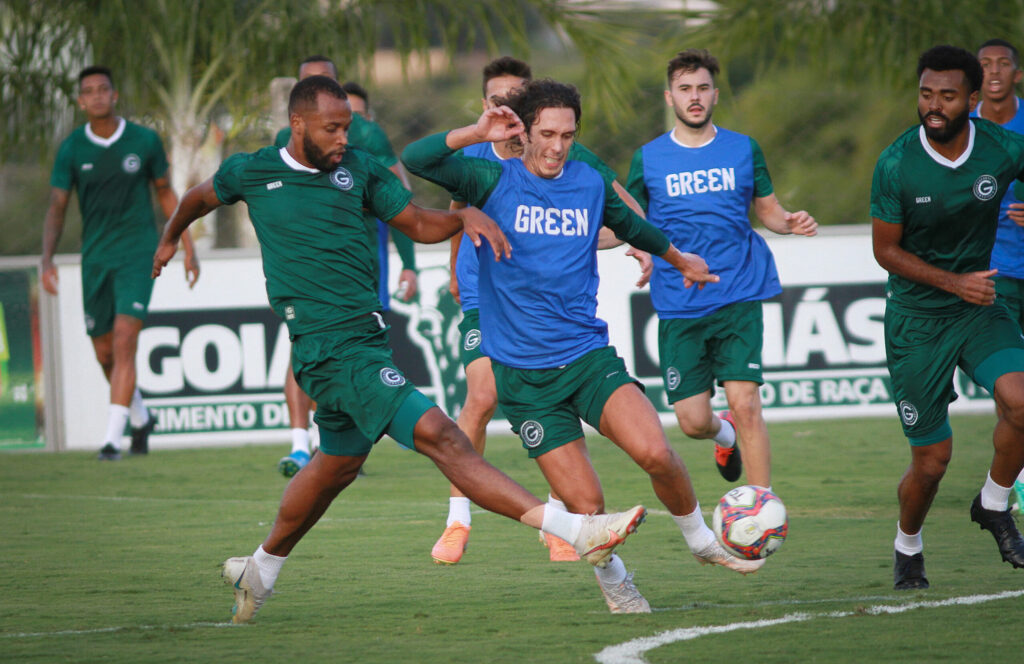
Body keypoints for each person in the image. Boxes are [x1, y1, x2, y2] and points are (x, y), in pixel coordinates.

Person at [152, 75, 647, 623]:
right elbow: (198, 197)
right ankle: (578, 530)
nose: (345, 136)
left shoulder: (357, 169)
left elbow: (414, 222)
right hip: (327, 348)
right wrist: (172, 236)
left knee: (334, 468)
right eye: (332, 127)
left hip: (366, 338)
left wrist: (462, 217)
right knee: (443, 435)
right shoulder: (253, 170)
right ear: (297, 125)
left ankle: (260, 569)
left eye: (347, 126)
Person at [403, 78, 764, 614]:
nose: (556, 147)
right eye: (546, 134)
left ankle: (701, 542)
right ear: (522, 133)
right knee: (588, 508)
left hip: (589, 359)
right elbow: (417, 158)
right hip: (525, 381)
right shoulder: (488, 177)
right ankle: (617, 582)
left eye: (567, 135)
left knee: (657, 454)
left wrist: (678, 258)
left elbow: (632, 226)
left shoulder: (588, 182)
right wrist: (475, 132)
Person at [433, 56, 652, 566]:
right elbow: (454, 213)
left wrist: (589, 242)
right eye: (496, 99)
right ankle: (457, 519)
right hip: (485, 296)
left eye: (515, 97)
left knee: (553, 402)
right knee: (483, 393)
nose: (506, 107)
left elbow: (625, 212)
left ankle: (561, 517)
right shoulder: (476, 155)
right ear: (485, 104)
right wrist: (452, 270)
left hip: (551, 313)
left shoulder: (560, 150)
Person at [626, 49, 816, 494]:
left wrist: (789, 223)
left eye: (703, 88)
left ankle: (762, 506)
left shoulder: (742, 148)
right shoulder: (648, 158)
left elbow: (767, 211)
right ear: (669, 96)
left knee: (746, 401)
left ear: (715, 94)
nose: (695, 97)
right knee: (692, 422)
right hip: (679, 302)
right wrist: (637, 247)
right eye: (685, 89)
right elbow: (630, 220)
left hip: (738, 292)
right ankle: (722, 434)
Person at [871, 45, 1024, 590]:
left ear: (974, 100)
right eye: (926, 94)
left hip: (979, 308)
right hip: (915, 322)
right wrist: (954, 280)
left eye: (948, 96)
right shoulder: (895, 164)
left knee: (1023, 402)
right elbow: (885, 252)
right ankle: (907, 542)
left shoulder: (1003, 148)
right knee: (932, 462)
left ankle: (993, 502)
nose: (934, 106)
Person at [41, 65, 200, 461]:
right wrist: (46, 259)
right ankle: (142, 417)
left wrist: (187, 244)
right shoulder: (72, 148)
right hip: (95, 258)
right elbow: (57, 207)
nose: (96, 96)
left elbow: (166, 194)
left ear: (114, 96)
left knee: (126, 339)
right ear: (81, 102)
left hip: (138, 255)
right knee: (105, 353)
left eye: (103, 89)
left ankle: (113, 438)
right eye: (88, 91)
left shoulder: (144, 141)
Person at [272, 56, 419, 478]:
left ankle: (335, 447)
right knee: (303, 350)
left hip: (361, 264)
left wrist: (408, 264)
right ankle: (301, 445)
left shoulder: (367, 134)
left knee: (358, 353)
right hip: (307, 271)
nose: (340, 137)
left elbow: (400, 200)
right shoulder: (282, 143)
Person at [971, 39, 1024, 512]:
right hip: (995, 271)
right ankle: (1015, 475)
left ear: (1017, 73)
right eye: (984, 64)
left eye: (1002, 63)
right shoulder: (962, 130)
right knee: (1011, 380)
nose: (993, 71)